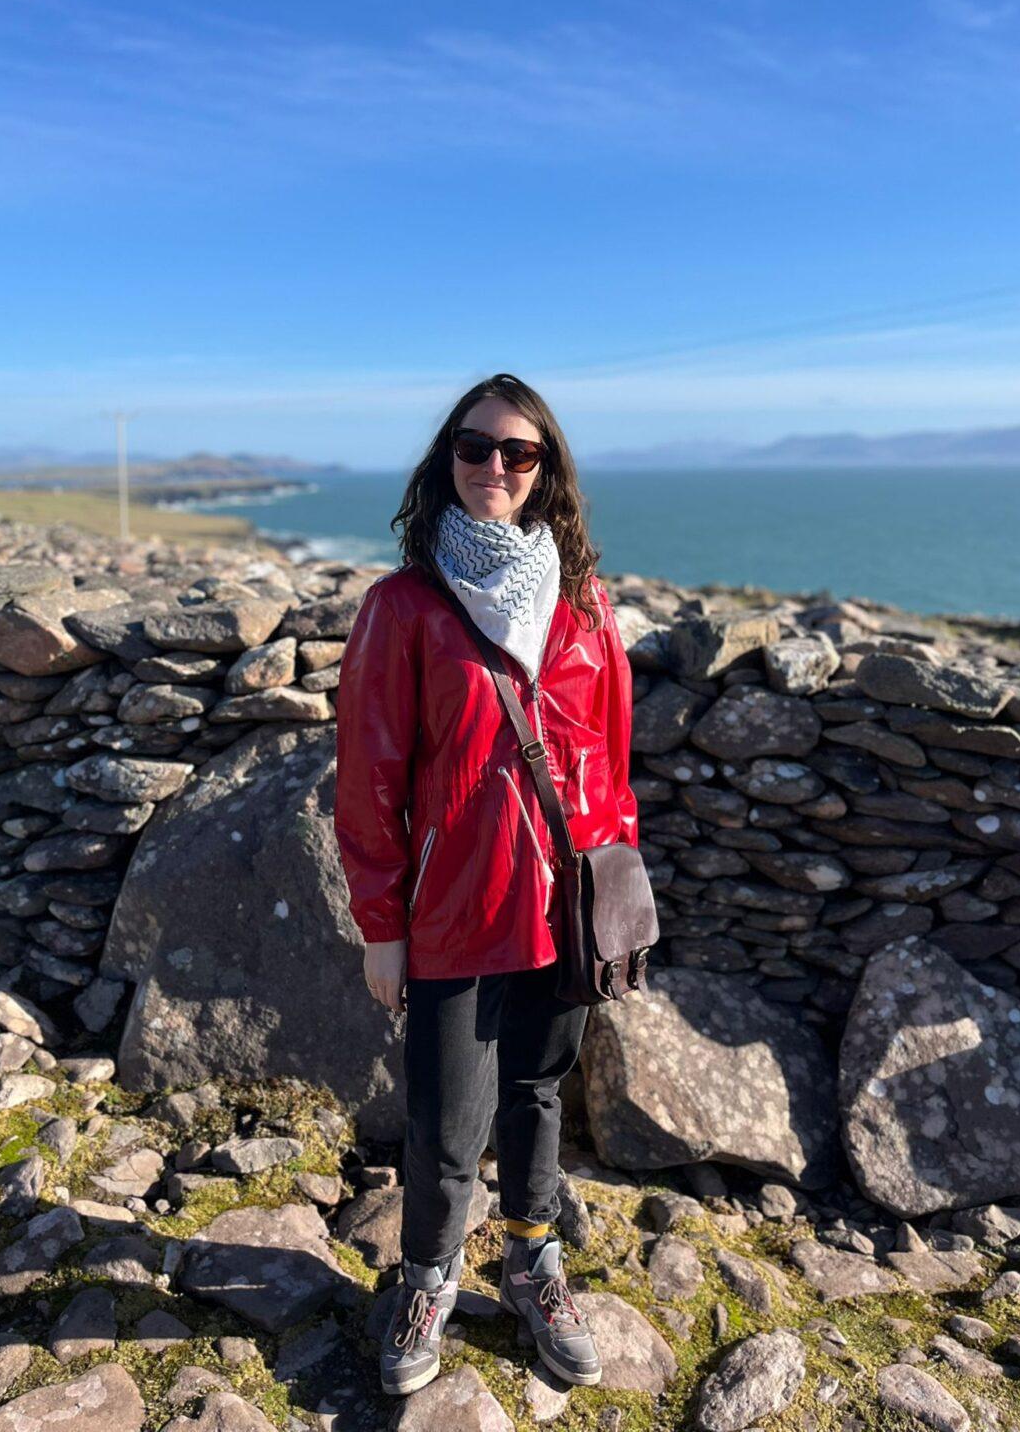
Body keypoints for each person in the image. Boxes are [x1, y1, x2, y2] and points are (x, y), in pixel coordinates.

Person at [333, 371, 639, 1397]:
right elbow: (371, 778)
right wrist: (383, 925)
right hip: (455, 910)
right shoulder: (403, 607)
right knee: (446, 1120)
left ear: (548, 471)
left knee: (538, 1096)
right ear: (445, 461)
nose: (495, 468)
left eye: (519, 453)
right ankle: (428, 1275)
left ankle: (533, 1260)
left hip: (568, 907)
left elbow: (611, 758)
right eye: (476, 448)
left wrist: (618, 876)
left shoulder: (586, 605)